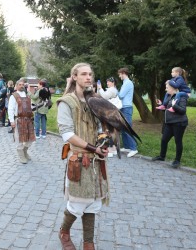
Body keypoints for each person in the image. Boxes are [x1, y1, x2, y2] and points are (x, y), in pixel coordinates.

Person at [57, 63, 110, 250]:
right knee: (77, 205)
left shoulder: (94, 100)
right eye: (84, 74)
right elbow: (67, 134)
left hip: (97, 161)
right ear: (74, 77)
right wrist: (92, 148)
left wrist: (104, 143)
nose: (88, 77)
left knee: (94, 203)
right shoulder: (66, 102)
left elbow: (101, 128)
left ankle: (89, 243)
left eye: (90, 74)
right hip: (79, 160)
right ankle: (64, 231)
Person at [152, 80, 188, 168]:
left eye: (167, 88)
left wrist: (174, 105)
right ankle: (162, 156)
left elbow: (183, 111)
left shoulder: (181, 97)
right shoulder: (168, 96)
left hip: (179, 123)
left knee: (178, 141)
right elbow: (167, 109)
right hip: (169, 123)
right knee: (164, 140)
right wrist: (162, 105)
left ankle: (177, 160)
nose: (165, 89)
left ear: (172, 88)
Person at [8, 80, 36, 164]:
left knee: (30, 139)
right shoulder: (14, 96)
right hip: (19, 119)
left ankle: (25, 152)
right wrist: (11, 121)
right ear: (16, 86)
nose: (21, 86)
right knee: (19, 139)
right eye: (19, 85)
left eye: (23, 85)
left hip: (28, 119)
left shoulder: (27, 96)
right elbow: (10, 109)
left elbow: (30, 107)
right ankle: (21, 156)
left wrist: (36, 106)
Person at [117, 67, 138, 158]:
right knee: (123, 128)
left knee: (128, 128)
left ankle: (134, 149)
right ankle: (127, 147)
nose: (119, 76)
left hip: (127, 108)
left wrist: (114, 91)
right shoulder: (125, 83)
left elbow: (121, 95)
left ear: (123, 73)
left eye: (119, 74)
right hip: (124, 108)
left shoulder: (128, 83)